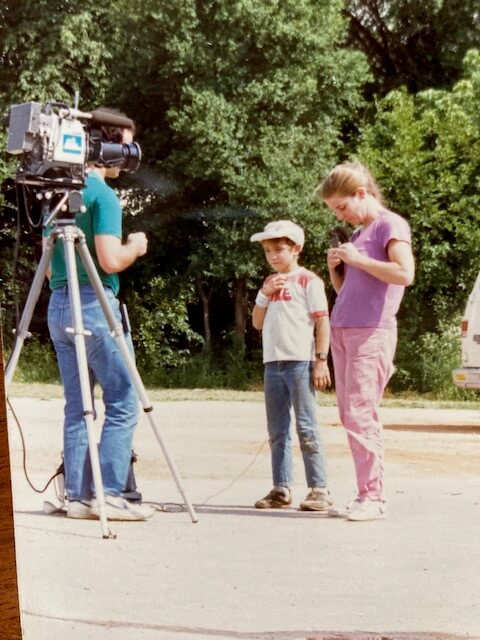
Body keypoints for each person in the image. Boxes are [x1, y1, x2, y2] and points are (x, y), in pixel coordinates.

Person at [43, 112, 153, 521]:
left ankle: (76, 494)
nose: (127, 156)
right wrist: (136, 247)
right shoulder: (103, 196)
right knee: (123, 398)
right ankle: (109, 493)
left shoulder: (60, 192)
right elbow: (108, 259)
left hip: (59, 302)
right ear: (104, 146)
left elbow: (48, 257)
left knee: (77, 405)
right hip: (94, 303)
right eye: (123, 146)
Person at [316, 160, 415, 521]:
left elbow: (405, 273)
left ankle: (373, 496)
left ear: (362, 193)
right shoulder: (359, 235)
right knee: (350, 414)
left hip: (371, 332)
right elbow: (350, 292)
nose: (341, 216)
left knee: (361, 414)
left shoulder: (391, 224)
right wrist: (337, 270)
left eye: (342, 207)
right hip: (345, 327)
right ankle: (363, 493)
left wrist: (357, 258)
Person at [250, 219, 332, 511]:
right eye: (268, 251)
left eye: (280, 249)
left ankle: (319, 488)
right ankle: (281, 487)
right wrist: (264, 293)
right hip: (273, 363)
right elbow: (257, 323)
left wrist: (320, 361)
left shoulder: (309, 280)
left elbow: (322, 321)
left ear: (296, 249)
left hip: (300, 362)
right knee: (277, 429)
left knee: (306, 426)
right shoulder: (270, 283)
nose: (273, 256)